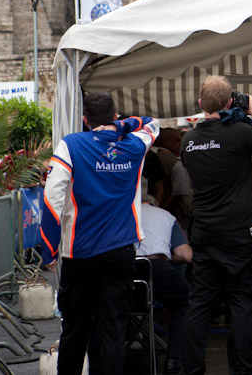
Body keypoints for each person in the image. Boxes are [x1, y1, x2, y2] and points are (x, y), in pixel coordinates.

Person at [39, 91, 160, 375]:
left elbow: (51, 199)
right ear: (115, 116)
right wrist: (119, 127)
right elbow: (152, 123)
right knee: (112, 331)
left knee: (74, 330)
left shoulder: (71, 144)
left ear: (84, 119)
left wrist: (49, 249)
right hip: (120, 253)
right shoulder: (134, 144)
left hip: (79, 254)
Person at [181, 76, 252, 375]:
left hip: (204, 233)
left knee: (199, 306)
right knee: (242, 306)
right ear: (229, 103)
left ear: (200, 103)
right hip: (238, 235)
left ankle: (192, 370)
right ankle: (243, 370)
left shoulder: (188, 140)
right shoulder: (239, 133)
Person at [137, 197, 192, 375]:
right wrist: (169, 259)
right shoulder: (166, 216)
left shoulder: (122, 211)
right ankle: (173, 361)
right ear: (154, 204)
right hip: (157, 267)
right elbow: (185, 255)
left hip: (124, 268)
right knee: (186, 300)